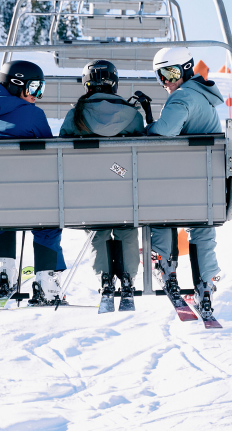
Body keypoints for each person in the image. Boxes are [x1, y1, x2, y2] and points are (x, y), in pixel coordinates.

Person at [58, 60, 152, 304]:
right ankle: (128, 277)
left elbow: (62, 150)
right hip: (122, 182)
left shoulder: (76, 115)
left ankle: (105, 279)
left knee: (98, 231)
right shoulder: (132, 115)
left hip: (89, 188)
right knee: (126, 229)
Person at [0, 59, 66, 305]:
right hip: (33, 197)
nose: (37, 95)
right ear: (17, 85)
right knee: (49, 221)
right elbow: (49, 149)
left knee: (2, 215)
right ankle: (46, 283)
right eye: (34, 87)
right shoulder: (33, 114)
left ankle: (6, 272)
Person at [145, 47, 225, 313]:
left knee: (160, 208)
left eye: (171, 72)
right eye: (161, 75)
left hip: (186, 183)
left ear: (187, 69)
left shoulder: (182, 97)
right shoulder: (201, 96)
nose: (166, 81)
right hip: (207, 184)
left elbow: (166, 131)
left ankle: (164, 265)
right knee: (202, 226)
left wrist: (147, 127)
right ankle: (205, 283)